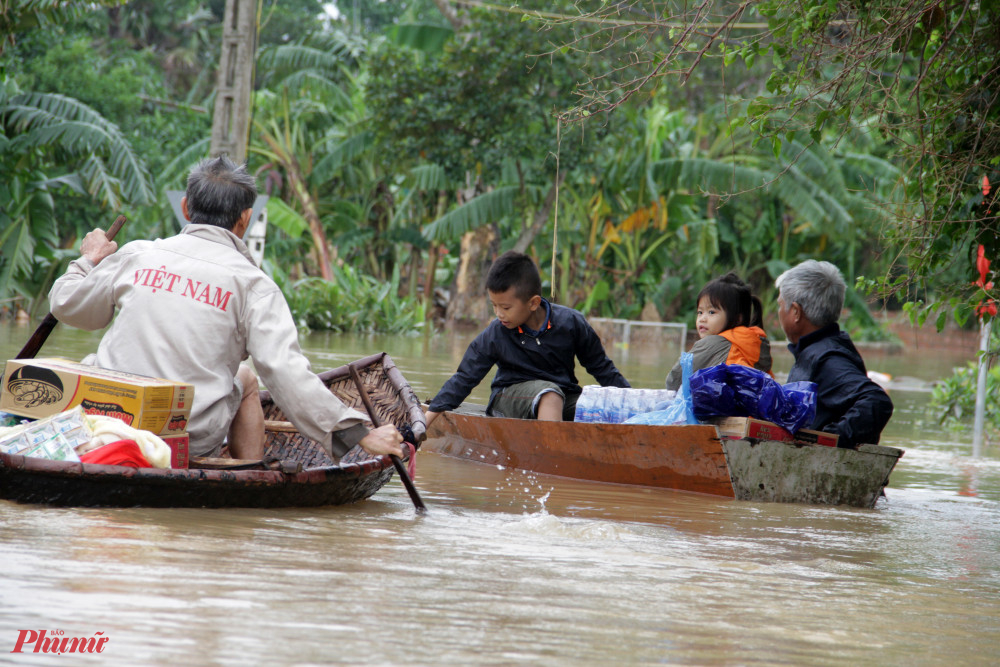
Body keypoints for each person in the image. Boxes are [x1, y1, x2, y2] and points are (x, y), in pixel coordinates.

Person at [48, 156, 402, 461]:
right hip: (185, 434)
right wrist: (360, 435)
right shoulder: (254, 286)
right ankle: (248, 477)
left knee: (93, 362)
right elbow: (286, 375)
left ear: (186, 207)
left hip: (106, 415)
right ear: (245, 219)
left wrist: (88, 260)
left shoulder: (137, 253)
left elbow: (67, 306)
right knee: (247, 377)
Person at [424, 251, 629, 426]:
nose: (498, 314)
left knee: (597, 403)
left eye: (505, 308)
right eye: (494, 305)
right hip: (508, 398)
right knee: (550, 395)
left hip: (562, 396)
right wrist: (424, 422)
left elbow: (602, 368)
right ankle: (549, 463)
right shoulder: (496, 333)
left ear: (533, 303)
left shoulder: (571, 323)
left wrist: (635, 405)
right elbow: (464, 379)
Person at [775, 259, 893, 448]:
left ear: (796, 312)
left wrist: (828, 442)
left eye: (781, 305)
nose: (779, 312)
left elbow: (876, 401)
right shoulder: (816, 350)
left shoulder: (827, 358)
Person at [665, 272, 772, 391]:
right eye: (700, 312)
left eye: (711, 312)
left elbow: (673, 380)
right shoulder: (757, 342)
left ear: (737, 319)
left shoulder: (713, 343)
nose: (702, 318)